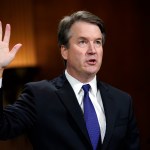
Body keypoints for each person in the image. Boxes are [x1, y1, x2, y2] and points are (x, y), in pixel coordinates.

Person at [0, 11, 140, 150]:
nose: (92, 50)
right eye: (83, 42)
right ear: (64, 51)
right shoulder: (39, 95)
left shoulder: (122, 100)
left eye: (97, 42)